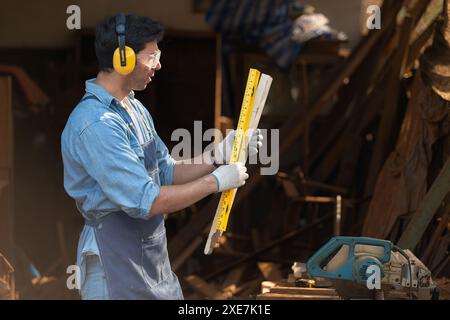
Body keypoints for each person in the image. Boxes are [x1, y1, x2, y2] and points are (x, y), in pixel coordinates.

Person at [61, 13, 263, 300]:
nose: (159, 65)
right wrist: (216, 182)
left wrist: (217, 156)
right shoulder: (97, 124)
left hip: (148, 258)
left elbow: (165, 171)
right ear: (123, 59)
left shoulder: (133, 108)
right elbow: (149, 200)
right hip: (113, 260)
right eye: (152, 56)